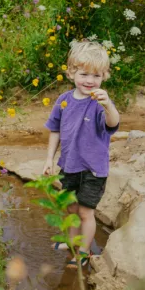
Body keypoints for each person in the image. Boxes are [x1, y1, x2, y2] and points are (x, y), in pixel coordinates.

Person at [43, 41, 120, 267]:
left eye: (96, 76)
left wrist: (108, 106)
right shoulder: (63, 100)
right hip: (69, 165)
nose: (89, 80)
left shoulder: (99, 103)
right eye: (84, 73)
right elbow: (55, 129)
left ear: (104, 76)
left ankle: (84, 252)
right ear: (71, 73)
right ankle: (71, 240)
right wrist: (49, 159)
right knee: (70, 208)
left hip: (93, 169)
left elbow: (112, 123)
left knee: (86, 212)